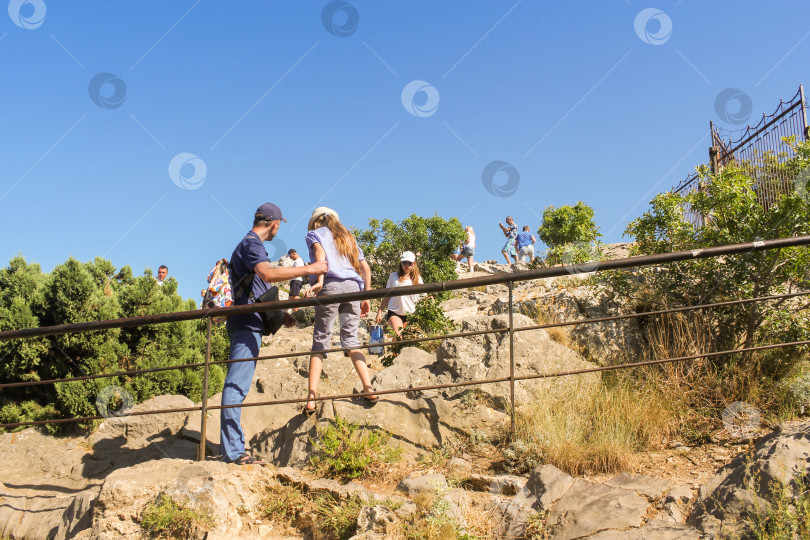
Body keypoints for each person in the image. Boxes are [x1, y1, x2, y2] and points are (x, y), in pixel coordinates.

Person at [221, 203, 327, 465]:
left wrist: (280, 313)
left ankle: (232, 450)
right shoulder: (252, 244)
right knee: (236, 385)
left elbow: (256, 289)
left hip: (249, 320)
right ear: (275, 223)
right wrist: (310, 269)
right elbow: (267, 274)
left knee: (238, 385)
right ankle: (234, 453)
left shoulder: (249, 245)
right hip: (246, 323)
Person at [304, 207, 376, 415]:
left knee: (320, 340)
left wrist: (318, 282)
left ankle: (311, 398)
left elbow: (320, 257)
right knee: (350, 338)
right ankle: (368, 388)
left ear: (316, 222)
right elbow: (366, 269)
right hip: (354, 288)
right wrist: (366, 295)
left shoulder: (314, 234)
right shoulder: (348, 237)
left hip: (331, 287)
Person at [376, 251, 424, 339]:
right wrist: (379, 312)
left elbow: (423, 297)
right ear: (401, 263)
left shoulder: (418, 279)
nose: (407, 265)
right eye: (405, 262)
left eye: (410, 263)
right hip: (395, 312)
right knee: (398, 336)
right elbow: (387, 296)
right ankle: (395, 352)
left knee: (409, 339)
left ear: (413, 264)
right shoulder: (393, 276)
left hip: (411, 314)